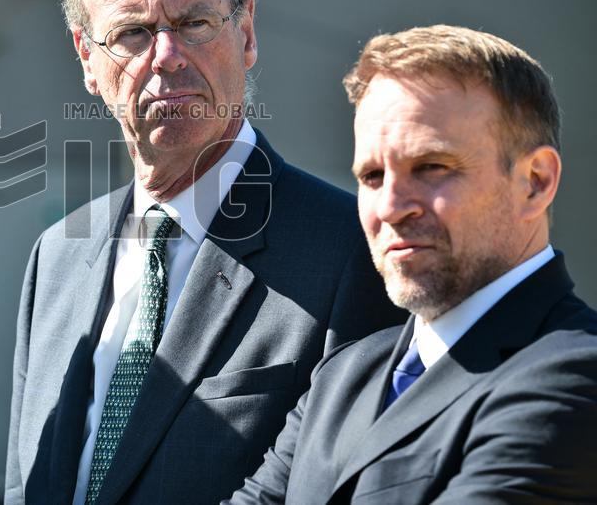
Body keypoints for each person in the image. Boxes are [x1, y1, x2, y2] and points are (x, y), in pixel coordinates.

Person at [4, 0, 404, 505]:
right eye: (132, 32)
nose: (166, 55)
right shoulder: (56, 258)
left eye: (194, 23)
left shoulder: (351, 251)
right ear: (88, 59)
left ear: (245, 33)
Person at [226, 25, 597, 503]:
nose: (391, 206)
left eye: (432, 167)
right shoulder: (343, 375)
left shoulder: (574, 378)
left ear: (535, 182)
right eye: (373, 175)